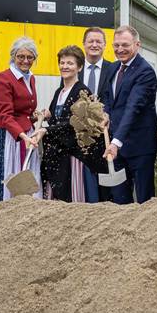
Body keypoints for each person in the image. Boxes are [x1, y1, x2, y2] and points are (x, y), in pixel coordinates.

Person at [0, 37, 44, 204]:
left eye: (29, 57)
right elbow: (5, 114)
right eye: (20, 56)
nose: (25, 61)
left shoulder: (31, 78)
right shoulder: (3, 79)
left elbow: (24, 111)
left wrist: (37, 116)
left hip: (25, 134)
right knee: (2, 180)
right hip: (5, 137)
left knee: (26, 178)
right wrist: (24, 137)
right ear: (13, 56)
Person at [103, 25, 157, 204]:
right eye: (116, 45)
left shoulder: (145, 72)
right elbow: (108, 98)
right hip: (117, 147)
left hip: (140, 146)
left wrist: (116, 142)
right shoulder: (113, 68)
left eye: (125, 45)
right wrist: (104, 114)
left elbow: (133, 108)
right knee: (120, 200)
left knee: (144, 200)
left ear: (137, 45)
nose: (120, 49)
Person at [41, 45, 105, 202]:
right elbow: (58, 120)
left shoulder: (83, 92)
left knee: (73, 199)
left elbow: (75, 124)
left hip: (74, 156)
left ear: (79, 67)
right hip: (58, 154)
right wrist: (47, 116)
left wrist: (46, 131)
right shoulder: (59, 92)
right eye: (62, 63)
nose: (64, 67)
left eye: (69, 63)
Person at [78, 27, 119, 202]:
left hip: (105, 133)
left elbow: (116, 97)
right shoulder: (76, 69)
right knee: (84, 180)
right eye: (91, 41)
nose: (94, 45)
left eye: (98, 42)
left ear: (104, 45)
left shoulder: (113, 68)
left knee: (105, 184)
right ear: (84, 44)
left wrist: (107, 114)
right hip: (82, 136)